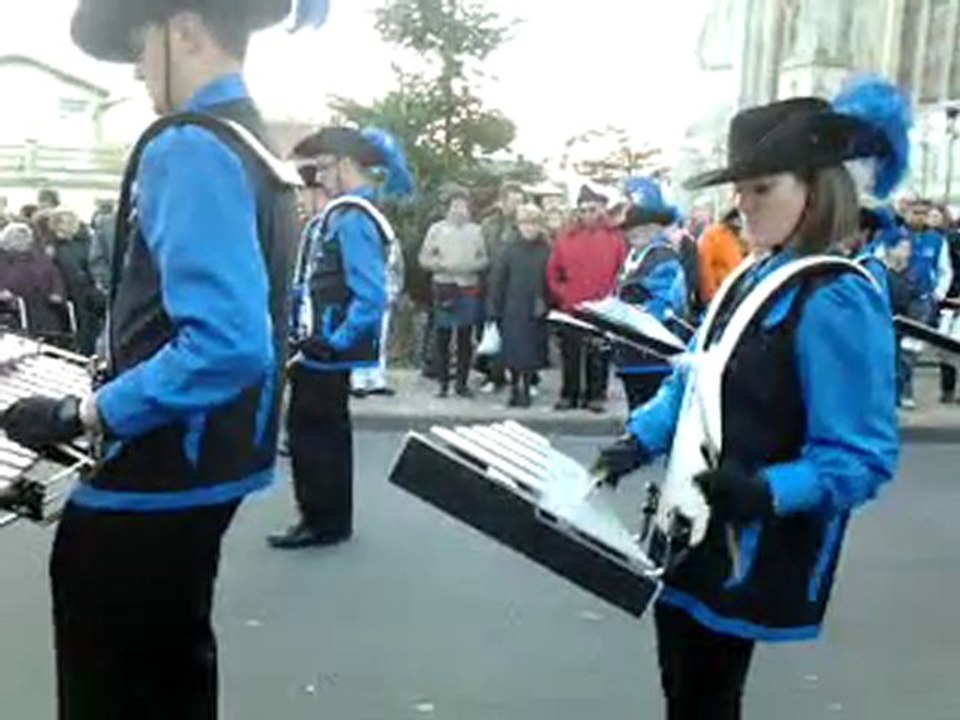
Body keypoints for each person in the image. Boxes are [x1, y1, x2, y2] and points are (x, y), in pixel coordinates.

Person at [1, 1, 317, 716]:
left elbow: (227, 342)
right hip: (217, 467)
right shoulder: (254, 141)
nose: (139, 71)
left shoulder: (188, 143)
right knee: (172, 677)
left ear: (185, 28)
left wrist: (80, 411)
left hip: (155, 475)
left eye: (141, 46)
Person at [592, 76, 907, 718]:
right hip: (689, 527)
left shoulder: (837, 297)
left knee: (707, 699)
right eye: (741, 191)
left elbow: (861, 456)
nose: (744, 206)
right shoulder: (752, 271)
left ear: (816, 189)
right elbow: (695, 378)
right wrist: (637, 440)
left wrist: (766, 492)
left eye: (762, 189)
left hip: (749, 549)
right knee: (684, 690)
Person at [270, 124, 413, 549]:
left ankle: (322, 521)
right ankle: (326, 519)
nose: (321, 176)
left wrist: (333, 341)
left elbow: (370, 296)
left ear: (346, 165)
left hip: (325, 352)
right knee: (322, 434)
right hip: (321, 348)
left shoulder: (352, 218)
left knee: (314, 436)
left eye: (326, 166)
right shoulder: (347, 213)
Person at [547, 185, 626, 413]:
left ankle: (596, 395)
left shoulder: (615, 238)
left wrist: (611, 298)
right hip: (572, 306)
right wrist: (564, 295)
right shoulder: (567, 238)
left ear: (601, 210)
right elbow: (553, 272)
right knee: (570, 353)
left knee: (598, 353)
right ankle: (569, 394)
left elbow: (622, 271)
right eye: (583, 210)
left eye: (592, 209)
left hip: (602, 307)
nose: (588, 215)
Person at [614, 179, 688, 410]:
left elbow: (665, 305)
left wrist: (624, 319)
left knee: (650, 416)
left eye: (644, 227)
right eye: (632, 228)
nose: (636, 232)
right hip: (631, 355)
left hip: (653, 357)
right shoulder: (634, 258)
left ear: (656, 228)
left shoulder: (664, 258)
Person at [419, 188, 489, 398]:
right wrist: (441, 265)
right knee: (442, 337)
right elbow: (423, 259)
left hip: (468, 286)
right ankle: (442, 384)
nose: (459, 211)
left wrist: (471, 266)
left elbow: (485, 259)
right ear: (448, 209)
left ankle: (462, 384)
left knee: (465, 338)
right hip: (444, 287)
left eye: (463, 207)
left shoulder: (476, 231)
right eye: (455, 206)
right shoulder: (436, 230)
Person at [486, 203, 551, 408]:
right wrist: (493, 308)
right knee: (512, 352)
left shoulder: (547, 250)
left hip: (536, 308)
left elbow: (552, 279)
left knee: (531, 353)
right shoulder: (508, 249)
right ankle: (515, 389)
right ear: (518, 225)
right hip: (512, 307)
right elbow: (497, 280)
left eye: (533, 223)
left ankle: (527, 387)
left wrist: (549, 302)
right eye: (525, 223)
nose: (529, 228)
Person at [0, 222, 67, 336]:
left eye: (25, 236)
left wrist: (57, 292)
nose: (22, 239)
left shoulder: (39, 257)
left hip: (43, 306)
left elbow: (55, 276)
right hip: (12, 309)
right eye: (17, 236)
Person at [697, 208, 746, 304]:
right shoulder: (713, 235)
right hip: (722, 300)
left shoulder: (753, 236)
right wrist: (712, 299)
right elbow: (704, 269)